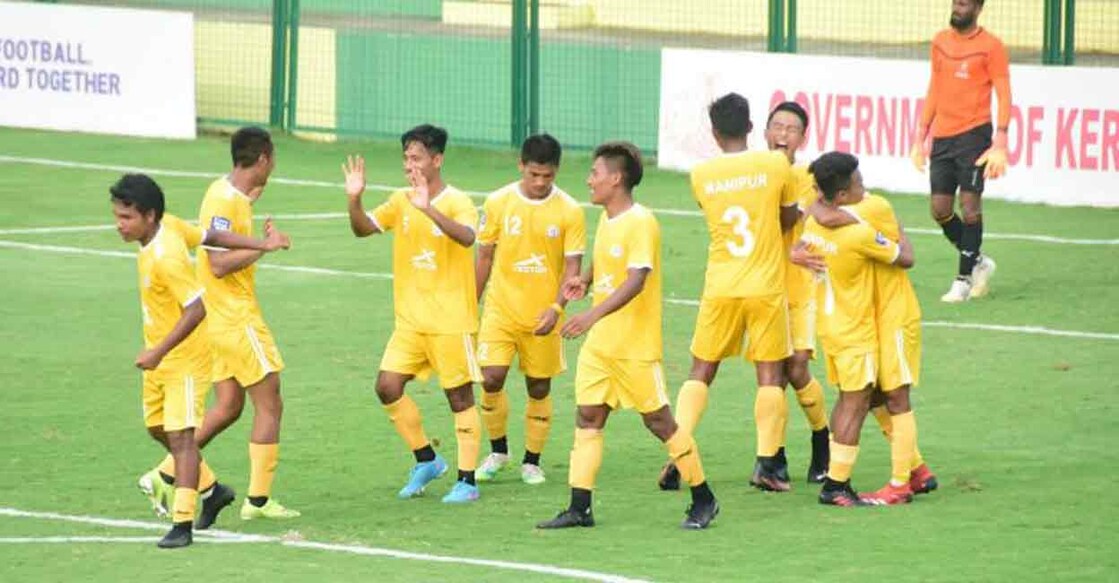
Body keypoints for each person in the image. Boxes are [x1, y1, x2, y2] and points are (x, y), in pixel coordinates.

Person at [537, 142, 718, 530]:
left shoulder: (641, 222)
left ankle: (704, 498)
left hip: (635, 347)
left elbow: (637, 280)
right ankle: (579, 507)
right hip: (602, 346)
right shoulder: (608, 219)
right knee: (588, 416)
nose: (589, 180)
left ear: (616, 178)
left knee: (659, 422)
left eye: (595, 173)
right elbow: (608, 261)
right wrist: (585, 281)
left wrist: (590, 315)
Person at [113, 174, 289, 547]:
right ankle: (212, 490)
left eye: (126, 217)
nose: (119, 225)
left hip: (184, 359)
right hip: (160, 358)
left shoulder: (167, 256)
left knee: (182, 437)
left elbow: (196, 310)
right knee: (158, 429)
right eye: (117, 216)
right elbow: (214, 237)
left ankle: (182, 524)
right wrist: (263, 243)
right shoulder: (170, 228)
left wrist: (158, 351)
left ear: (149, 215)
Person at [147, 127, 301, 522]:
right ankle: (259, 502)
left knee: (229, 406)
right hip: (235, 317)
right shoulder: (225, 200)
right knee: (270, 403)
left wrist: (250, 205)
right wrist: (266, 247)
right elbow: (217, 263)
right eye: (272, 158)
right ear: (263, 158)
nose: (274, 165)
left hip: (215, 322)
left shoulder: (228, 194)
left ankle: (164, 473)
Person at [658, 92, 799, 493]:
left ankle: (680, 451)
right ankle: (767, 465)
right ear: (752, 127)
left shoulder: (701, 175)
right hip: (765, 285)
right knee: (769, 373)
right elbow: (788, 217)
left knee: (701, 370)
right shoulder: (775, 164)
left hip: (721, 285)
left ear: (715, 133)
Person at [343, 124, 484, 504]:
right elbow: (362, 229)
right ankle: (427, 459)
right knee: (387, 387)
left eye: (417, 158)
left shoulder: (458, 201)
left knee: (459, 397)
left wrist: (429, 209)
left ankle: (467, 481)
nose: (409, 165)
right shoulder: (399, 200)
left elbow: (468, 237)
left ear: (437, 160)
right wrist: (355, 199)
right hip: (410, 322)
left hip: (451, 321)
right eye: (406, 158)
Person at [800, 183, 939, 504]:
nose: (864, 189)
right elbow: (821, 216)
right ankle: (917, 470)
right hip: (869, 319)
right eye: (857, 184)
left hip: (895, 316)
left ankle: (899, 484)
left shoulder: (874, 206)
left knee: (896, 396)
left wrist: (816, 203)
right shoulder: (847, 216)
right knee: (872, 393)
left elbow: (825, 216)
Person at [474, 134, 586, 485]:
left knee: (538, 387)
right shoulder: (498, 202)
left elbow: (573, 267)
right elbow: (484, 256)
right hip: (500, 310)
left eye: (547, 176)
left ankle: (532, 462)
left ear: (557, 171)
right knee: (490, 378)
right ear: (521, 165)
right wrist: (469, 304)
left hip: (544, 315)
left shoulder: (570, 210)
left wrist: (557, 307)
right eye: (533, 174)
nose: (539, 182)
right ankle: (498, 452)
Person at [910, 0, 1010, 303]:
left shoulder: (991, 46)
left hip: (974, 135)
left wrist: (1000, 140)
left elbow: (1004, 93)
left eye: (964, 4)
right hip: (943, 137)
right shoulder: (940, 41)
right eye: (955, 3)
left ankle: (963, 280)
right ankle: (979, 262)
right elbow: (935, 88)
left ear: (978, 8)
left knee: (969, 207)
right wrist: (920, 136)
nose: (957, 8)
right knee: (939, 210)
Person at [763, 100, 831, 483]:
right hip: (764, 286)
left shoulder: (806, 177)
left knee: (797, 366)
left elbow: (793, 220)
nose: (783, 134)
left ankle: (822, 438)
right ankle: (774, 457)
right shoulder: (754, 174)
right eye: (777, 126)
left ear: (802, 138)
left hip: (801, 284)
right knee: (772, 376)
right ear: (765, 132)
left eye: (791, 129)